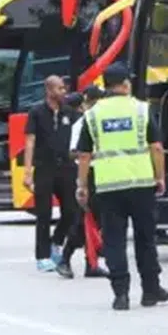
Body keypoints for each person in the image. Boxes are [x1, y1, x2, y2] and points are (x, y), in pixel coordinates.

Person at [75, 63, 168, 311]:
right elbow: (156, 147)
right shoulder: (141, 109)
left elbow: (84, 155)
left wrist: (82, 185)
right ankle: (151, 291)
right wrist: (159, 177)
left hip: (108, 187)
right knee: (145, 239)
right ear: (126, 84)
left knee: (114, 241)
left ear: (105, 86)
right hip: (141, 184)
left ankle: (121, 294)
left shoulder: (93, 114)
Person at [23, 75, 81, 272]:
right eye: (59, 89)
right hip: (44, 168)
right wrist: (28, 172)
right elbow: (30, 141)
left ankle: (56, 241)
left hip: (66, 167)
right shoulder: (36, 112)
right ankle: (42, 256)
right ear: (48, 90)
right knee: (44, 213)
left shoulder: (70, 112)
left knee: (72, 211)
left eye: (64, 89)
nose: (63, 92)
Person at [64, 85, 109, 279]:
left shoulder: (101, 120)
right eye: (95, 101)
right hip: (87, 173)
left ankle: (91, 263)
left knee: (96, 221)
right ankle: (64, 258)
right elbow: (73, 152)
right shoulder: (82, 123)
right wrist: (91, 154)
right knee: (85, 221)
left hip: (103, 173)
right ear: (88, 102)